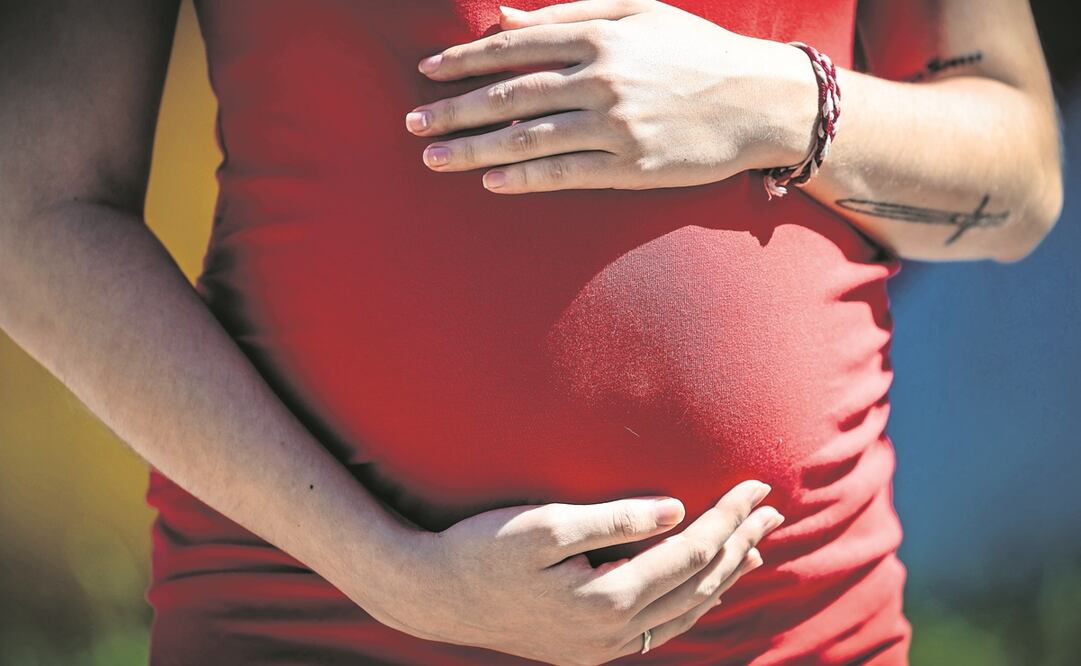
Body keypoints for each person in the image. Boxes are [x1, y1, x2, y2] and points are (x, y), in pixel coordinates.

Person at [0, 0, 1062, 663]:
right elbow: (28, 210)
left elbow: (1019, 180)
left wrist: (776, 103)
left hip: (790, 624)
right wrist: (391, 572)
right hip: (310, 619)